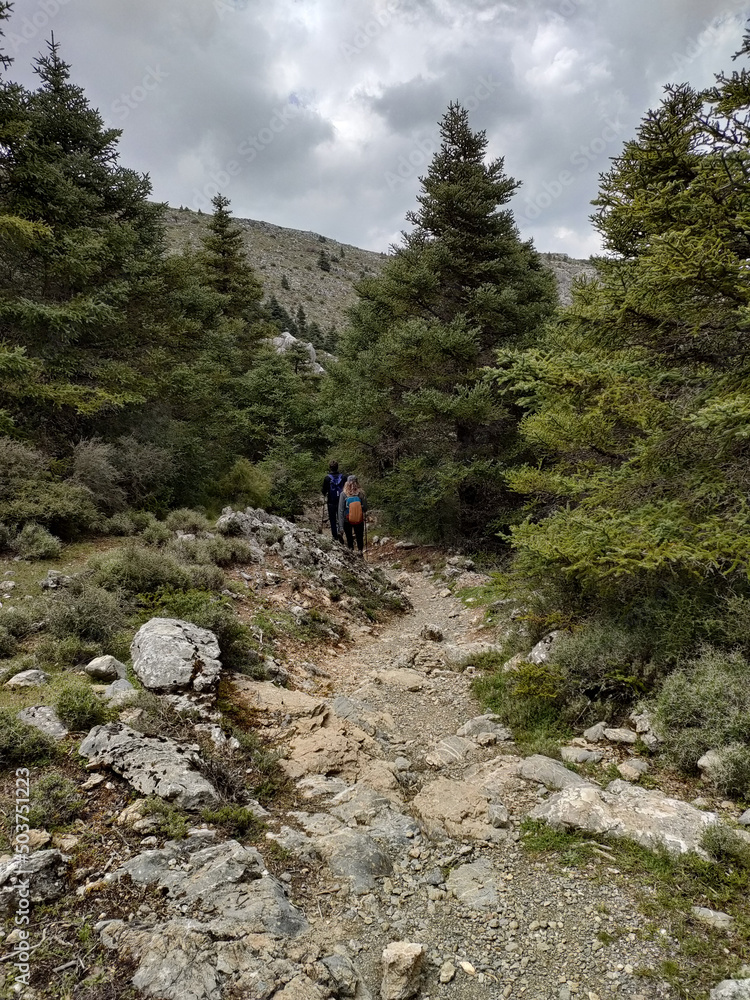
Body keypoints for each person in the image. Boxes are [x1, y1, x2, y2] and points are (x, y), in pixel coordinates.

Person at [338, 475, 367, 554]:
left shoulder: (343, 494)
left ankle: (351, 550)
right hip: (359, 518)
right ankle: (360, 551)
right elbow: (365, 508)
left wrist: (341, 526)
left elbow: (341, 510)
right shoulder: (361, 493)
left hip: (347, 520)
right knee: (359, 536)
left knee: (349, 536)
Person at [322, 460, 347, 541]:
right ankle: (341, 532)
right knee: (342, 517)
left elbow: (324, 491)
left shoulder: (327, 478)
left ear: (330, 468)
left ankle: (335, 536)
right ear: (337, 467)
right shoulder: (343, 477)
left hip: (331, 502)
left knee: (332, 519)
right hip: (342, 501)